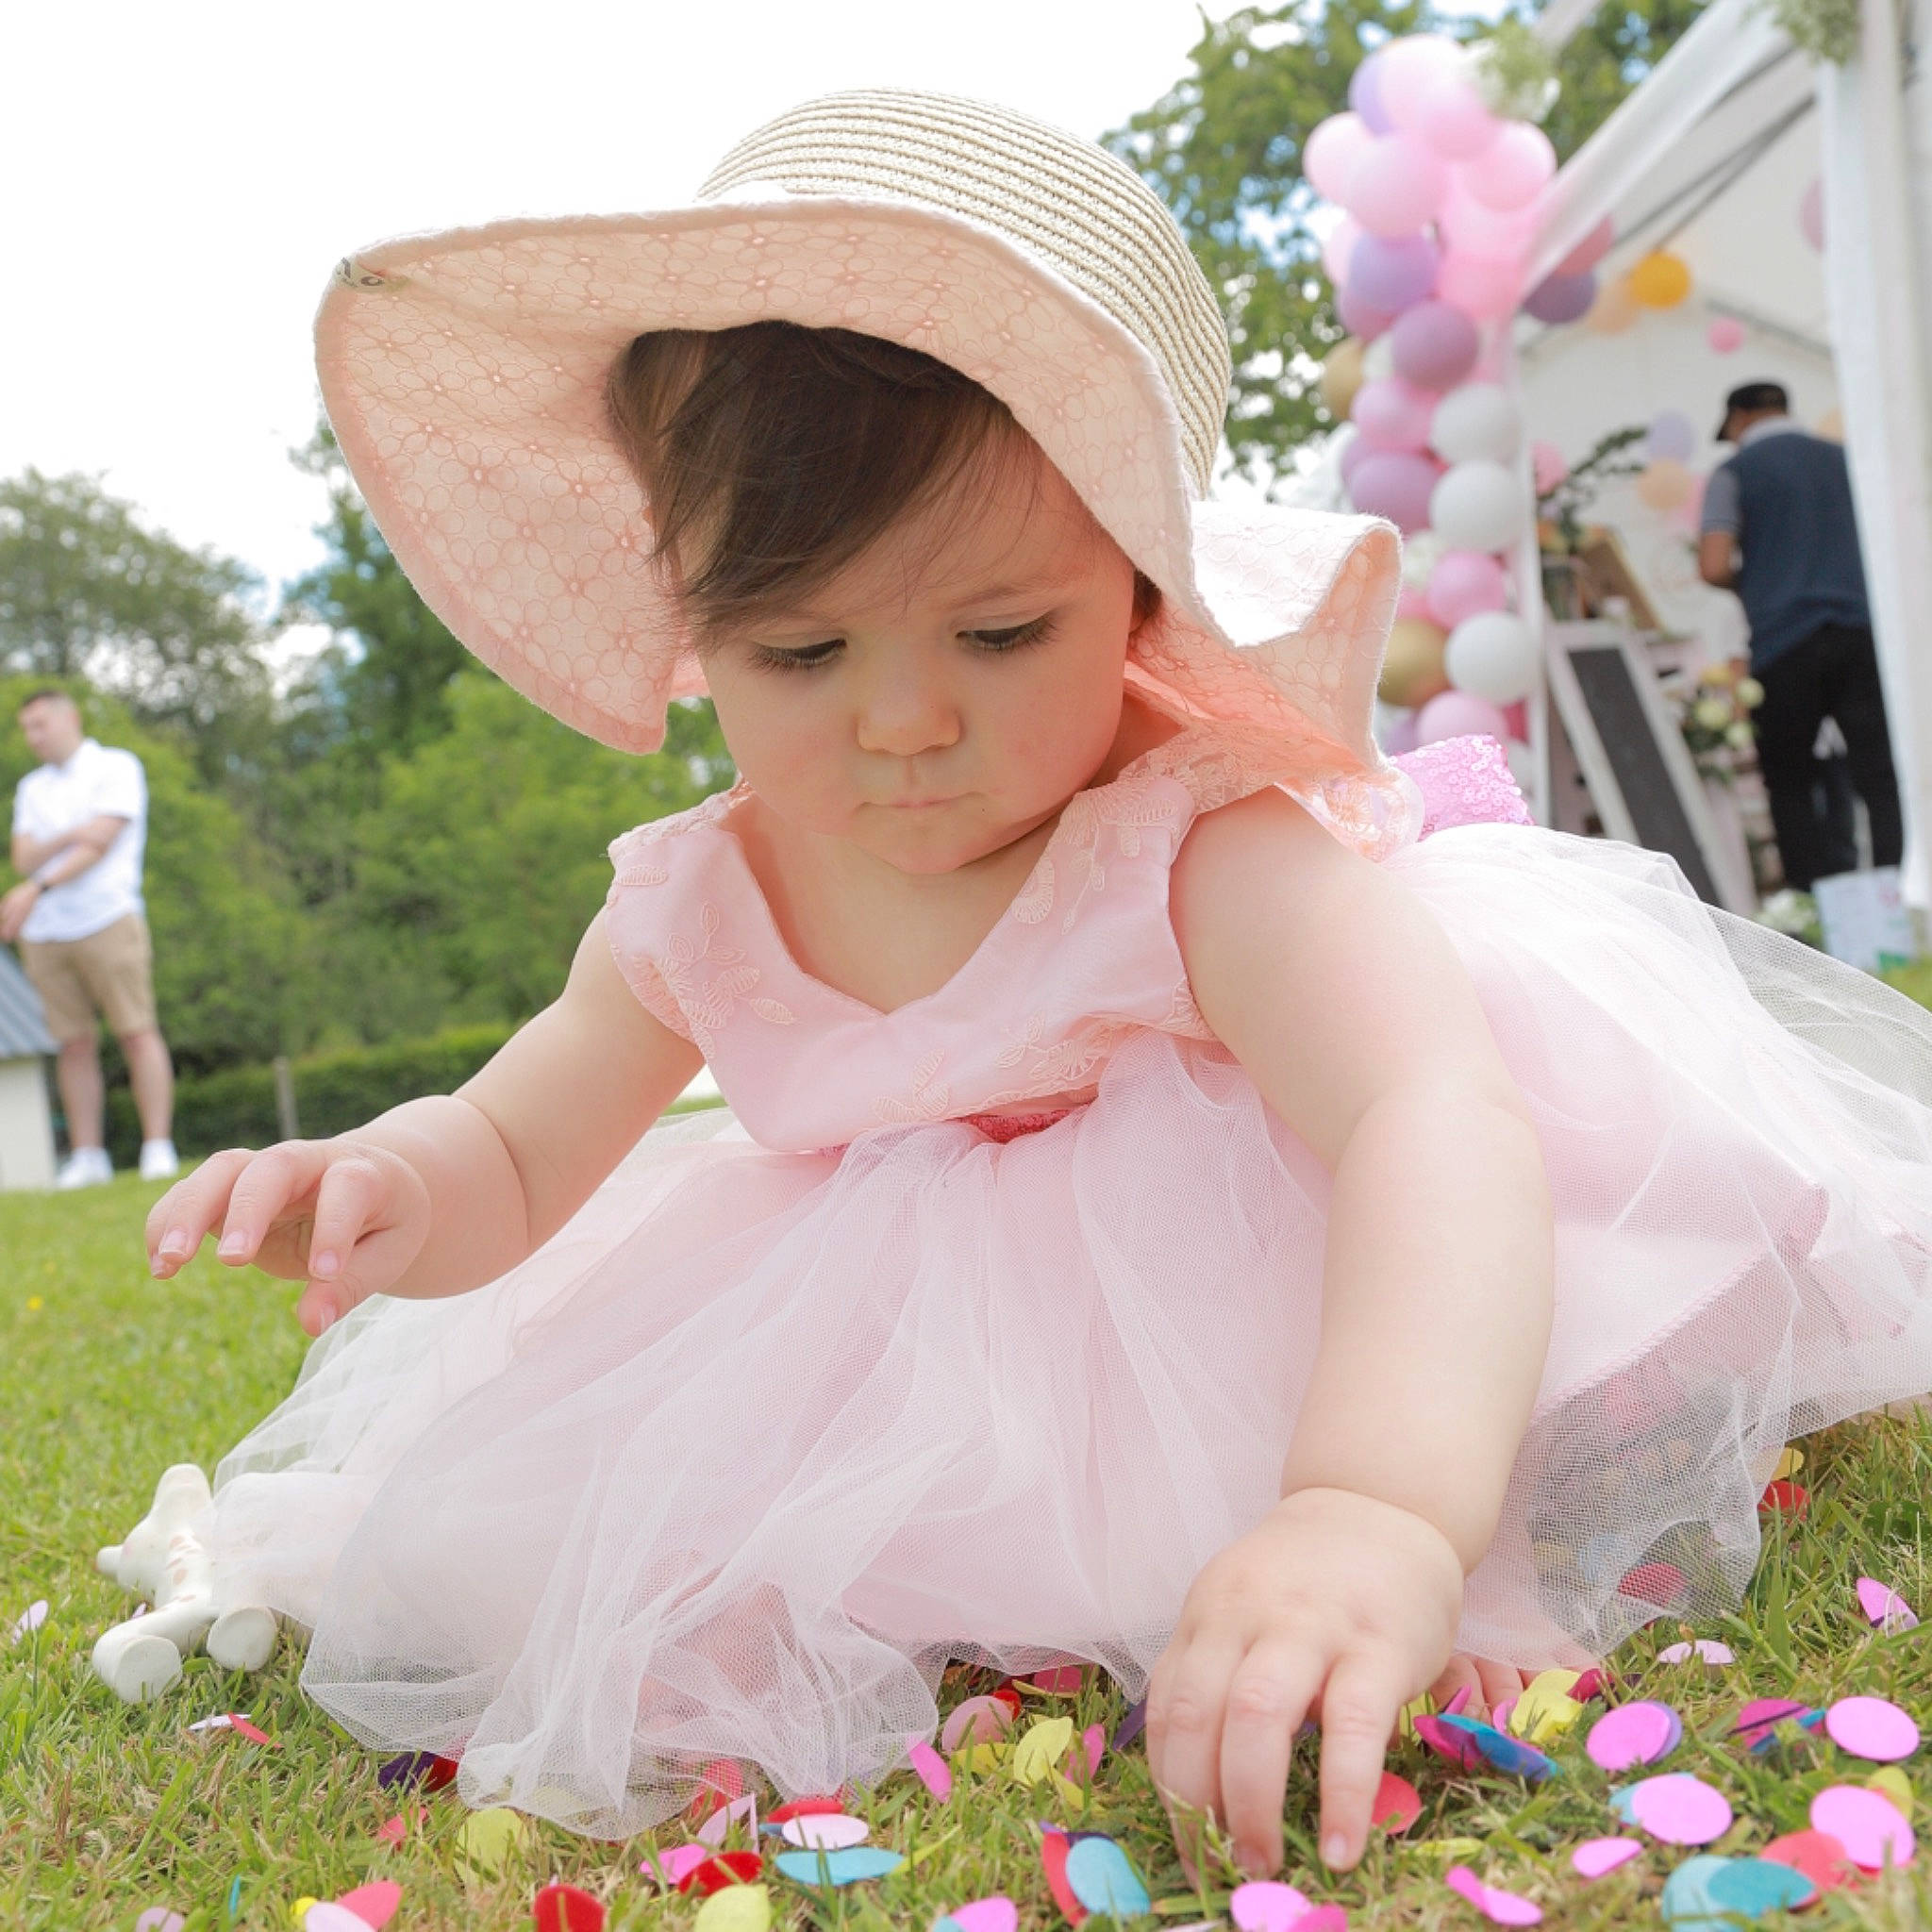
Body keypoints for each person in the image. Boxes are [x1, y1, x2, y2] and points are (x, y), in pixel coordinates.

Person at [132, 93, 1932, 1878]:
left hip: (1272, 1268)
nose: (903, 718)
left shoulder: (1199, 844)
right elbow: (518, 1154)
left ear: (1142, 596)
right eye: (801, 646)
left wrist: (1372, 1503)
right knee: (533, 1561)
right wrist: (391, 1185)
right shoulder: (701, 897)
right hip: (885, 1341)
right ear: (691, 619)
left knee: (1459, 1375)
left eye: (1000, 632)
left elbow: (1423, 1117)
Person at [1698, 380, 1905, 891]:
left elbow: (1713, 563)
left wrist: (1762, 582)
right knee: (1880, 777)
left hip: (1783, 641)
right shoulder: (1846, 460)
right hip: (1861, 634)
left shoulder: (1732, 473)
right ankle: (1901, 902)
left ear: (1740, 418)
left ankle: (1815, 913)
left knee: (1790, 785)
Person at [3, 690, 177, 1185]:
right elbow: (22, 855)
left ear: (70, 718)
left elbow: (100, 843)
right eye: (27, 728)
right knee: (72, 1044)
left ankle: (158, 1146)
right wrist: (70, 836)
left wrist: (41, 876)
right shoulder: (32, 788)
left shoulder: (117, 767)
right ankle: (87, 1157)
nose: (33, 737)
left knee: (136, 1031)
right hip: (47, 932)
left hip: (108, 917)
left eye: (40, 725)